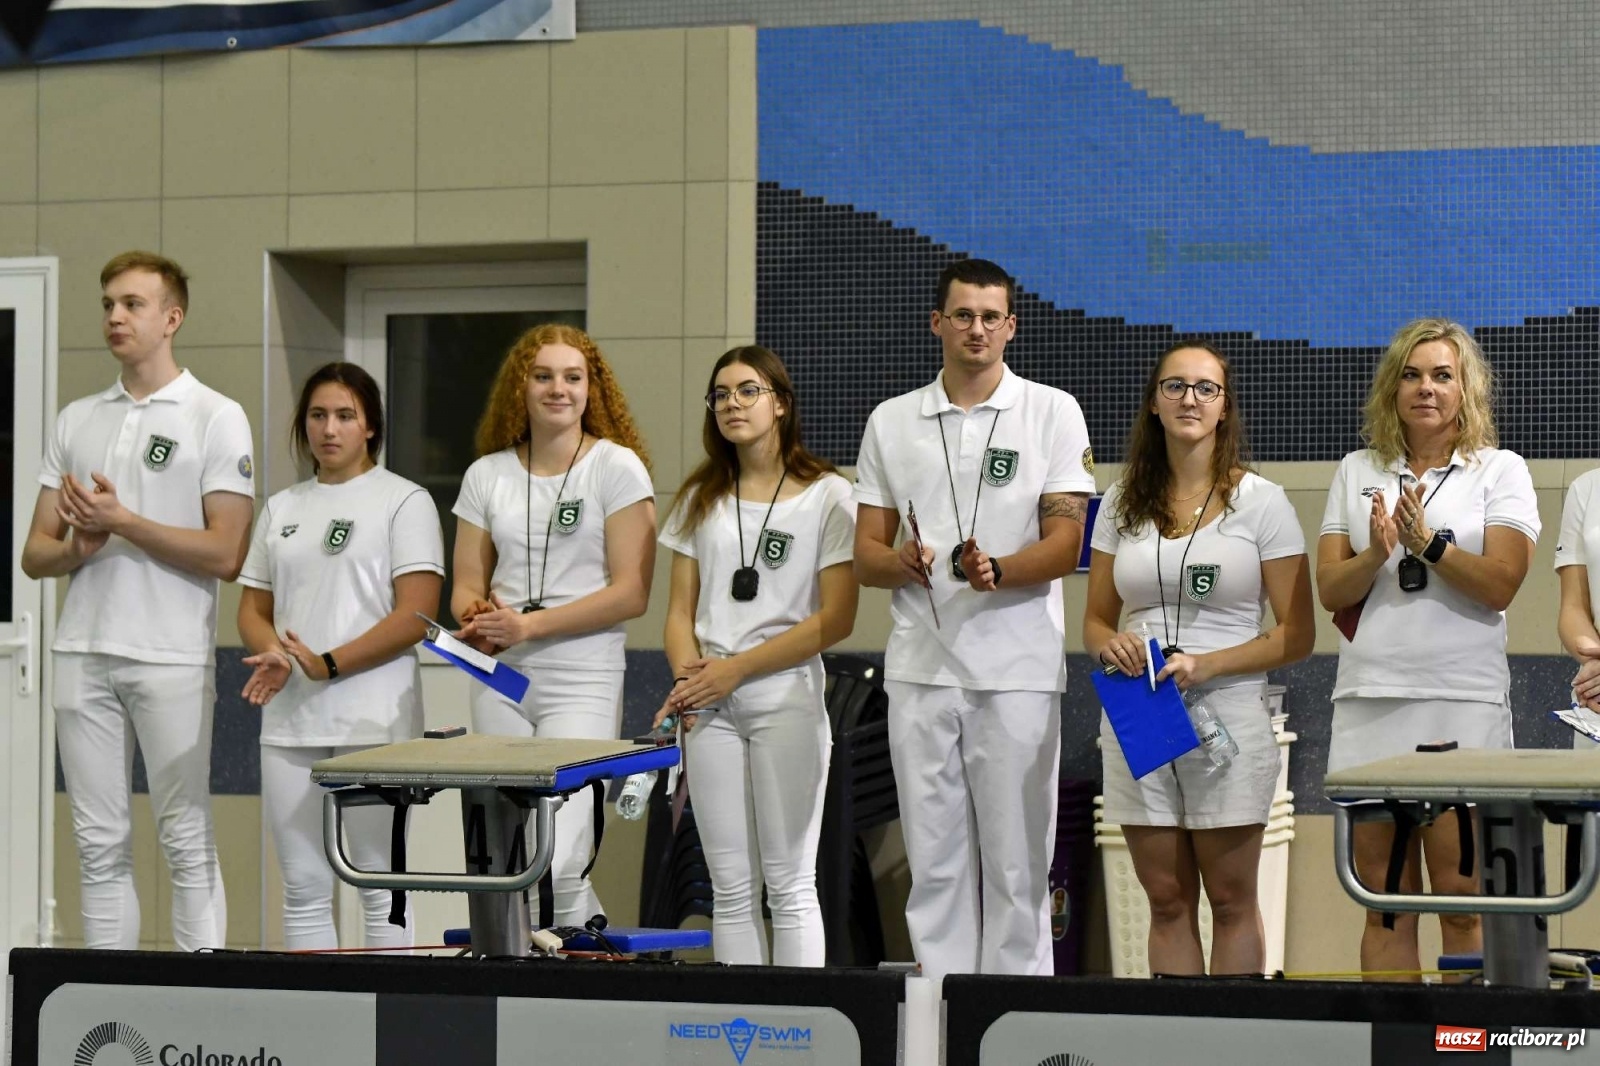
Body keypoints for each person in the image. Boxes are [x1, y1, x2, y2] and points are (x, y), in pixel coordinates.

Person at [852, 258, 1094, 979]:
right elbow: (864, 553)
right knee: (934, 862)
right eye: (963, 315)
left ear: (1011, 327)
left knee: (1018, 866)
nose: (977, 329)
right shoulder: (893, 420)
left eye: (991, 317)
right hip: (921, 670)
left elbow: (1067, 542)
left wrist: (1001, 570)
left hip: (1016, 669)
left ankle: (1013, 1020)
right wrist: (900, 562)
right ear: (938, 323)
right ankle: (938, 1022)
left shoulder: (1051, 410)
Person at [22, 251, 255, 950]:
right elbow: (36, 553)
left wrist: (124, 523)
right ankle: (104, 1001)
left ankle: (201, 1000)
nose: (114, 317)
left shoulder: (216, 415)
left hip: (170, 653)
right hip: (82, 650)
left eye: (131, 304)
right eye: (107, 304)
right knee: (98, 842)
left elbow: (228, 553)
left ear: (171, 318)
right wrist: (78, 550)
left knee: (184, 833)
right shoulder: (78, 418)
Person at [1317, 318, 1539, 981]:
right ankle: (1395, 1046)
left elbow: (1502, 583)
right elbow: (1331, 588)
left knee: (1463, 899)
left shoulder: (1500, 470)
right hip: (1370, 706)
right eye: (1412, 375)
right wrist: (1379, 551)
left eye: (1442, 375)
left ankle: (1464, 1048)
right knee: (1384, 905)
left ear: (1465, 388)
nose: (1426, 388)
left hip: (1459, 705)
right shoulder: (1359, 470)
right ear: (1393, 387)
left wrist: (1430, 546)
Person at [1082, 341, 1314, 976]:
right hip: (1140, 711)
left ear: (1224, 407)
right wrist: (1113, 643)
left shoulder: (1262, 502)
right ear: (1154, 403)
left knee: (1234, 902)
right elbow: (1095, 620)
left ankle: (1235, 1042)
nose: (1190, 399)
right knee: (1165, 900)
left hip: (1228, 714)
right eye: (1175, 386)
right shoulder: (1122, 498)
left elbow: (1297, 635)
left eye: (1205, 389)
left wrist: (1206, 665)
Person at [654, 346, 858, 966]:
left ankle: (802, 1034)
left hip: (784, 695)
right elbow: (678, 614)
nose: (732, 404)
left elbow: (836, 619)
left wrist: (733, 671)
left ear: (780, 403)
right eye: (721, 394)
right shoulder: (700, 497)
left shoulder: (829, 495)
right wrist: (691, 680)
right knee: (730, 891)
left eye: (747, 391)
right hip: (710, 704)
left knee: (790, 885)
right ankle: (739, 1039)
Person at [452, 323, 655, 926]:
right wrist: (476, 613)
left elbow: (632, 592)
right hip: (501, 678)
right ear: (522, 386)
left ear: (593, 389)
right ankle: (541, 977)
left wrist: (531, 628)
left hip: (581, 675)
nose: (557, 389)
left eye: (572, 377)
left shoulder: (617, 469)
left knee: (562, 856)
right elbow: (464, 583)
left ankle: (572, 989)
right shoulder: (486, 475)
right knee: (505, 855)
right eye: (543, 376)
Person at [236, 362, 443, 950]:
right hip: (290, 720)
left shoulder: (405, 501)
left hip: (371, 721)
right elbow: (252, 610)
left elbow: (416, 615)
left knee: (381, 888)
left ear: (370, 426)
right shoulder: (281, 508)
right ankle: (315, 1030)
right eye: (318, 415)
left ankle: (393, 1031)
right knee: (302, 886)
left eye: (345, 416)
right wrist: (276, 654)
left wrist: (328, 663)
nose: (330, 429)